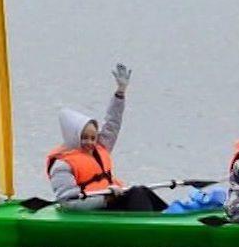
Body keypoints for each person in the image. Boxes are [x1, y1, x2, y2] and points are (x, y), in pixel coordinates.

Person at [45, 65, 167, 212]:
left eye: (92, 138)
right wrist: (105, 199)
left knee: (141, 190)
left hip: (110, 201)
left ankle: (172, 215)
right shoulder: (62, 166)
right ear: (74, 137)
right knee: (137, 194)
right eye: (84, 138)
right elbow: (69, 203)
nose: (89, 142)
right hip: (94, 210)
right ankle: (153, 227)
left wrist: (120, 93)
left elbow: (112, 123)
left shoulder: (99, 148)